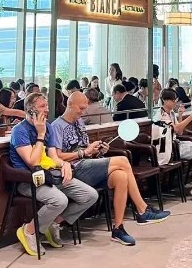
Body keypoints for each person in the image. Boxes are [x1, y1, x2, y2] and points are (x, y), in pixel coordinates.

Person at [50, 93, 170, 246]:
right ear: (70, 104)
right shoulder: (56, 126)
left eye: (85, 108)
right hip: (73, 170)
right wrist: (84, 153)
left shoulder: (79, 122)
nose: (83, 111)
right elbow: (57, 156)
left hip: (89, 165)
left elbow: (85, 148)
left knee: (121, 177)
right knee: (123, 161)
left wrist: (97, 149)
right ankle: (142, 209)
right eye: (81, 108)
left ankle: (118, 228)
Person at [10, 93, 99, 255]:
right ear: (30, 110)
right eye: (42, 106)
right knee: (59, 200)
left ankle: (53, 223)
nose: (47, 110)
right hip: (29, 180)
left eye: (47, 106)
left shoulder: (49, 127)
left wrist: (64, 164)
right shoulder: (19, 131)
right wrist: (40, 134)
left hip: (50, 176)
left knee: (90, 196)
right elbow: (32, 162)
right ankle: (29, 231)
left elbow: (53, 157)